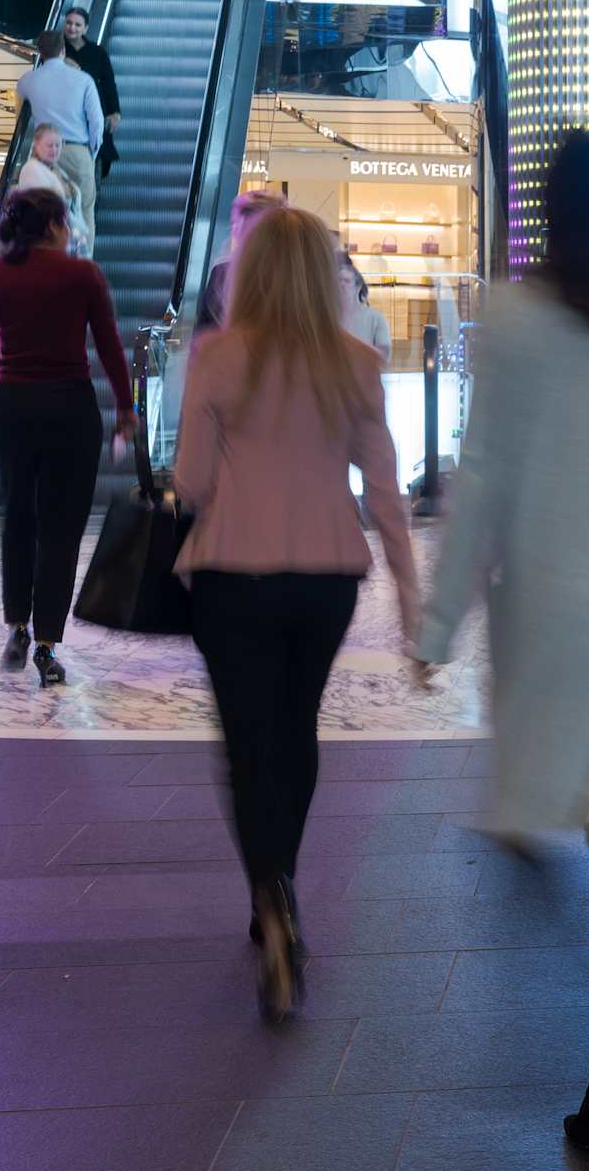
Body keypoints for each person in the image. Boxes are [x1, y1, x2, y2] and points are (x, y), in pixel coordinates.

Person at [413, 131, 589, 1168]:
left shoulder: (519, 319)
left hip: (560, 621)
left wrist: (439, 623)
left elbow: (481, 475)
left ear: (541, 208)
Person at [174, 206, 417, 1023]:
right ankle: (281, 881)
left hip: (231, 573)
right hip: (326, 575)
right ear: (325, 275)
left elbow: (193, 481)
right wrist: (415, 605)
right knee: (297, 726)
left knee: (246, 743)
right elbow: (385, 491)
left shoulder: (217, 357)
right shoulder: (355, 360)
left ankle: (268, 894)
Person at [0, 188, 136, 686]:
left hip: (12, 408)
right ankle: (45, 645)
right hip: (70, 411)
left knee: (18, 519)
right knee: (61, 530)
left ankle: (16, 624)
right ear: (56, 225)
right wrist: (125, 407)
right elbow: (109, 348)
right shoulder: (82, 275)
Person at [15, 30, 105, 246]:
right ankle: (83, 267)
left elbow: (19, 111)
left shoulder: (28, 81)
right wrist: (91, 152)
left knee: (45, 214)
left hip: (43, 156)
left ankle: (52, 264)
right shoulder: (83, 80)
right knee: (84, 213)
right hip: (77, 151)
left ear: (40, 53)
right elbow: (97, 121)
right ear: (63, 50)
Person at [194, 189, 287, 338]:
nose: (234, 230)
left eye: (235, 224)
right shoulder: (298, 274)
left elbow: (203, 337)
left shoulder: (223, 274)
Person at [61, 6, 120, 183]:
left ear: (85, 28)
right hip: (67, 115)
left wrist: (115, 111)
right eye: (69, 23)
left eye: (78, 25)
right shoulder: (56, 51)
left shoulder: (97, 52)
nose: (72, 28)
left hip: (94, 110)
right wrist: (59, 63)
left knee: (97, 158)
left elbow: (109, 82)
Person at [15, 125, 92, 258]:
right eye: (49, 145)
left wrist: (80, 231)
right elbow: (48, 210)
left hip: (69, 240)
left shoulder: (56, 170)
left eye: (58, 145)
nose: (55, 149)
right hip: (50, 243)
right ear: (36, 145)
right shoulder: (31, 170)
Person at [338, 253, 391, 363]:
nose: (341, 285)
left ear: (358, 287)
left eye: (347, 281)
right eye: (339, 281)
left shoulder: (376, 318)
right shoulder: (329, 318)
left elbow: (384, 356)